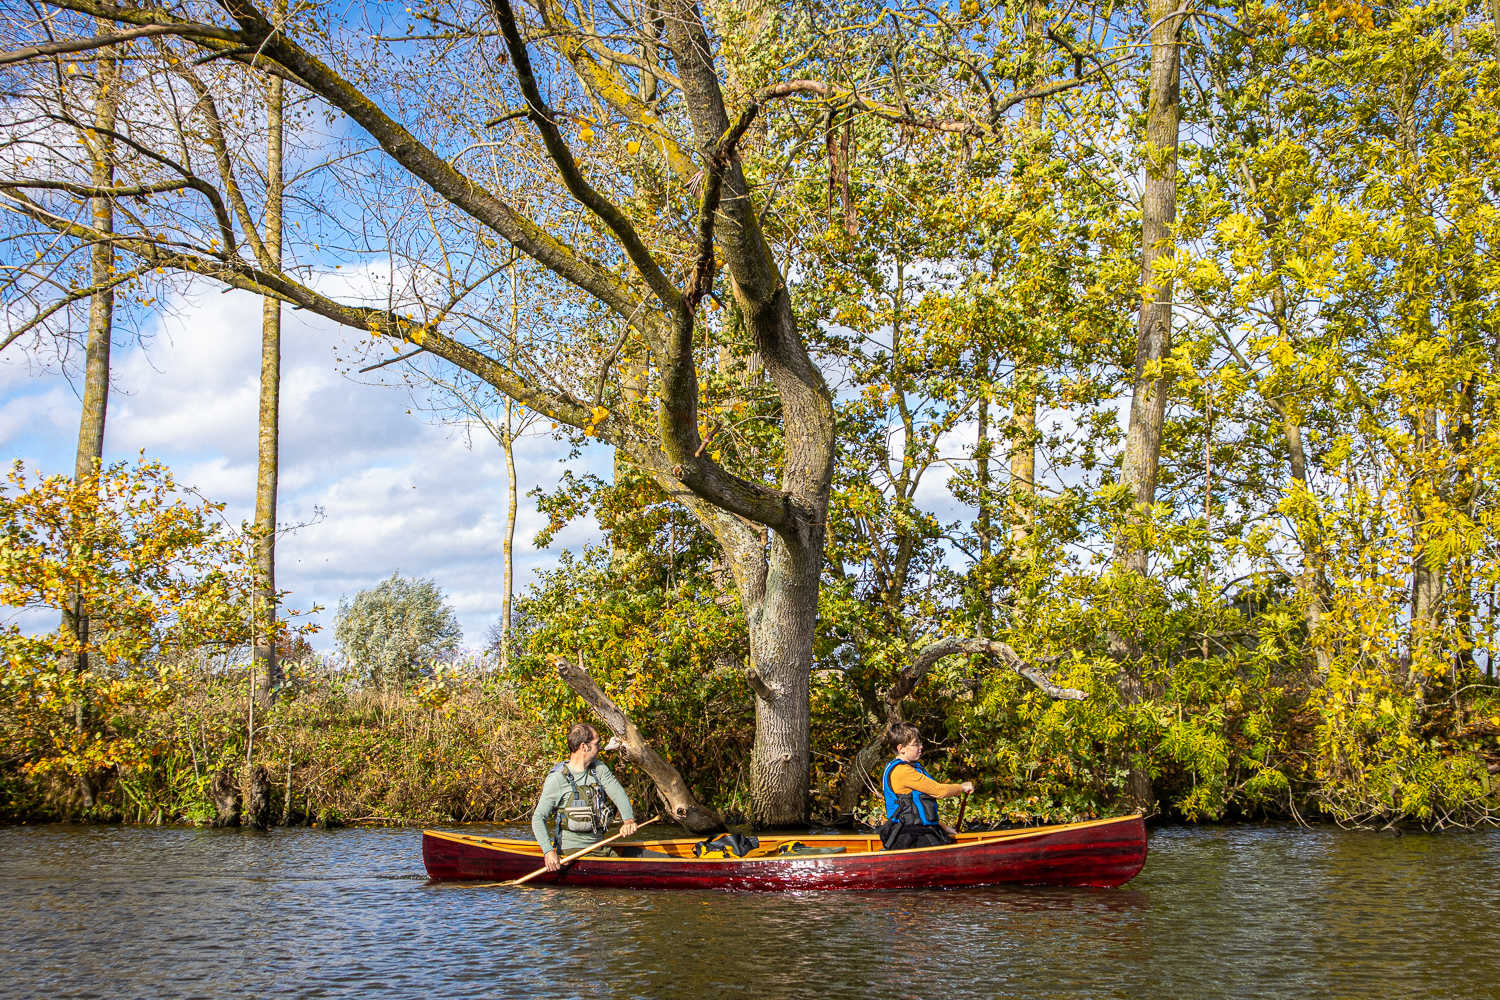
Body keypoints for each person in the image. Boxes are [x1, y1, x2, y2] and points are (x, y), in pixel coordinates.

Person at [532, 723, 637, 871]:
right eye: (597, 744)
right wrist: (548, 852)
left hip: (599, 849)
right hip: (570, 854)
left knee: (628, 871)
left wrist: (628, 820)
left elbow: (618, 793)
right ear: (584, 747)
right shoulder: (557, 779)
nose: (600, 747)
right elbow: (538, 818)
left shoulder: (599, 769)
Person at [878, 723, 974, 850]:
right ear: (901, 748)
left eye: (920, 742)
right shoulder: (903, 772)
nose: (921, 746)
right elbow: (939, 791)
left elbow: (919, 810)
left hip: (919, 830)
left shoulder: (912, 767)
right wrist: (961, 787)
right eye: (916, 744)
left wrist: (945, 828)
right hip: (909, 836)